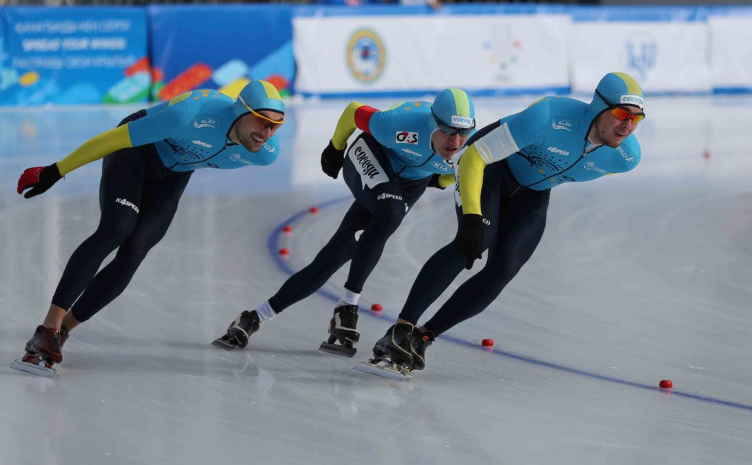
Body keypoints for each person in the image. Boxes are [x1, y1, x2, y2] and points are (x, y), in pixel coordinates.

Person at [371, 72, 645, 371]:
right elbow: (473, 156)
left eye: (636, 119)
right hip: (492, 166)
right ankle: (399, 330)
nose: (628, 126)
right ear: (598, 107)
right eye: (622, 114)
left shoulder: (625, 158)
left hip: (533, 192)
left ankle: (422, 337)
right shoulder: (547, 117)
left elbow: (566, 167)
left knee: (505, 267)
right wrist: (473, 217)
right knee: (473, 242)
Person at [12, 80, 286, 375]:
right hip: (137, 150)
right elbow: (113, 140)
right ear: (239, 111)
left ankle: (62, 331)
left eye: (275, 126)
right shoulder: (190, 115)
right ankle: (48, 328)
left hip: (176, 171)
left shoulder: (265, 152)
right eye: (261, 121)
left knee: (136, 250)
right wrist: (55, 170)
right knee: (117, 229)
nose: (266, 133)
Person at [213, 89, 476, 357]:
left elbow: (455, 176)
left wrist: (439, 179)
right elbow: (353, 110)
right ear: (433, 123)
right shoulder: (398, 125)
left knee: (336, 254)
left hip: (410, 182)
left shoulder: (468, 148)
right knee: (391, 209)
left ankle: (255, 317)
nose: (456, 141)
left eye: (463, 133)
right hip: (373, 153)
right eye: (448, 131)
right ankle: (348, 306)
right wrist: (335, 149)